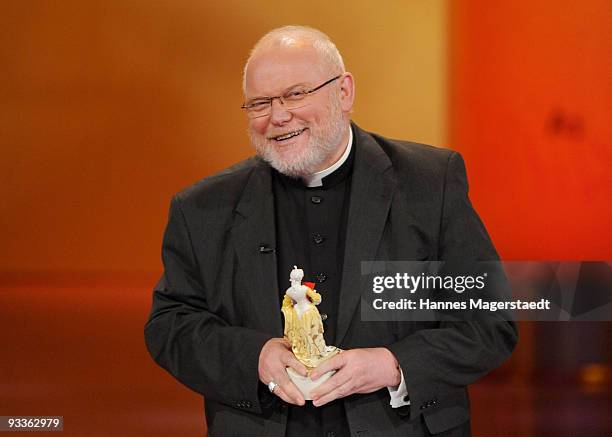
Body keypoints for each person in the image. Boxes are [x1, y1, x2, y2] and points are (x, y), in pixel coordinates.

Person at [145, 25, 517, 437]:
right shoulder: (201, 208)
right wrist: (254, 357)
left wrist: (393, 365)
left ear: (344, 92)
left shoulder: (430, 183)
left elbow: (491, 322)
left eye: (295, 94)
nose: (278, 116)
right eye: (260, 103)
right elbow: (170, 324)